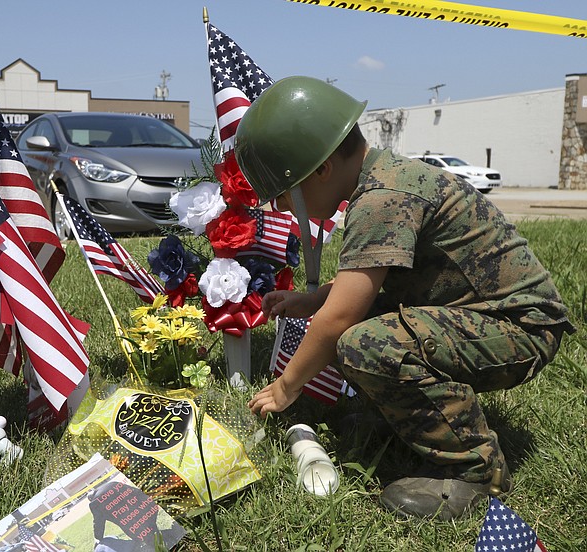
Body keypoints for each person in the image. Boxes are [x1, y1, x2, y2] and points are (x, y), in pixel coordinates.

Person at [238, 76, 575, 520]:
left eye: (284, 195)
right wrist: (313, 299)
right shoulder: (382, 179)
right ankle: (408, 419)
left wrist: (285, 388)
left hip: (521, 328)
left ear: (320, 171)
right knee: (362, 328)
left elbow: (340, 320)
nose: (282, 209)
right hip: (487, 317)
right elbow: (361, 286)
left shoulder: (382, 197)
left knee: (362, 342)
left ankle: (474, 471)